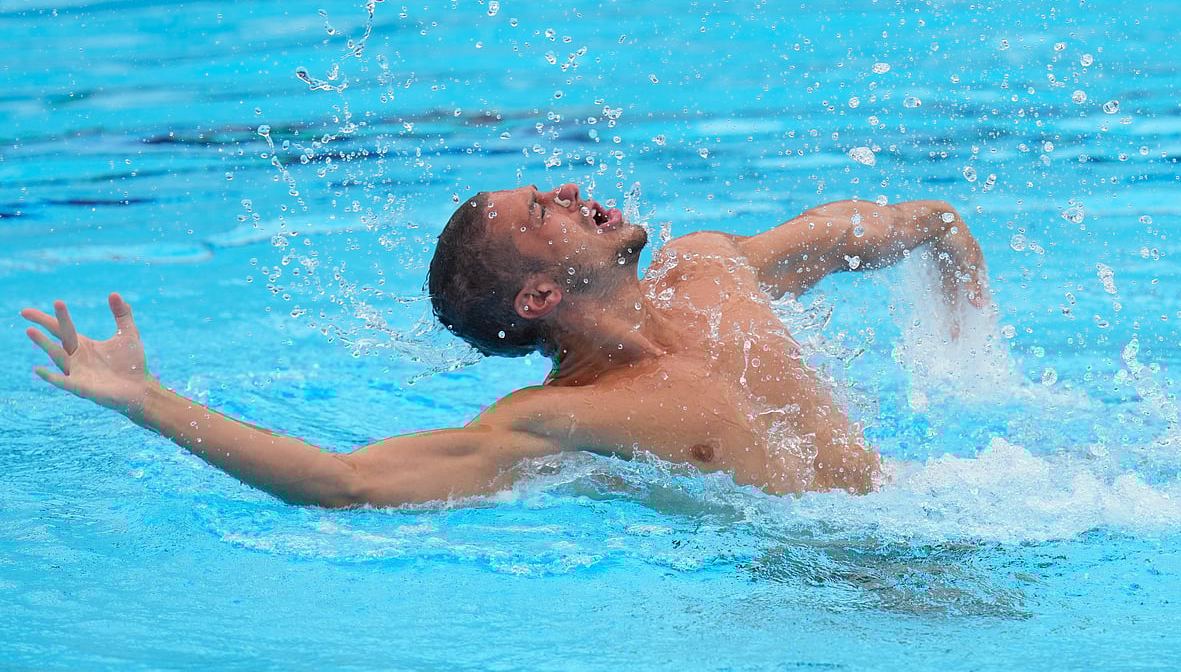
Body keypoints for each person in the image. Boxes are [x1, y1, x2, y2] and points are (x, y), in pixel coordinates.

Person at [22, 183, 988, 507]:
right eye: (543, 210)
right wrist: (146, 400)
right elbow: (343, 483)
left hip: (939, 511)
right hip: (833, 607)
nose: (569, 192)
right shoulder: (564, 417)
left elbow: (871, 231)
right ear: (537, 292)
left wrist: (948, 258)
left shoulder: (711, 268)